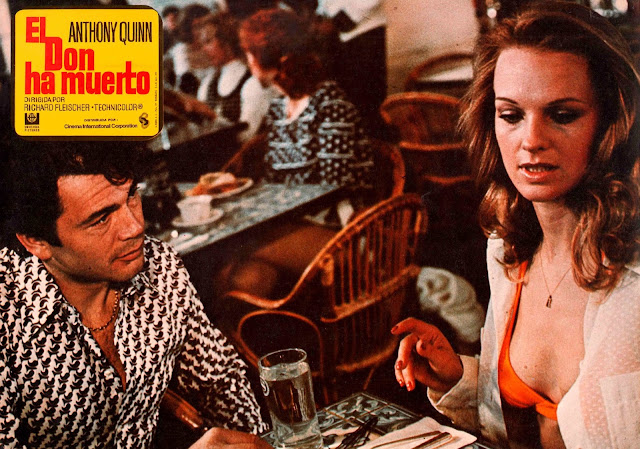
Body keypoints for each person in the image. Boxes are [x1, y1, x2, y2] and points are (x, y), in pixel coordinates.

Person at [392, 3, 640, 449]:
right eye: (511, 115)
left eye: (562, 115)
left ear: (611, 125)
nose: (531, 141)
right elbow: (512, 426)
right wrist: (461, 378)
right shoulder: (507, 248)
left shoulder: (634, 277)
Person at [0, 142, 269, 448]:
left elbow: (219, 380)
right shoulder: (7, 316)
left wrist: (258, 440)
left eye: (131, 196)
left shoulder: (160, 266)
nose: (135, 227)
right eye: (101, 219)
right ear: (36, 241)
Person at [213, 7, 374, 300]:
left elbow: (333, 189)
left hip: (343, 233)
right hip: (293, 230)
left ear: (278, 60)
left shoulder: (330, 104)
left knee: (236, 243)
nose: (249, 62)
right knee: (246, 279)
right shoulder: (279, 109)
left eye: (251, 54)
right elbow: (276, 180)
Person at [192, 12, 279, 142]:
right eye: (202, 44)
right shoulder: (208, 84)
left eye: (208, 42)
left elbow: (246, 135)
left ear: (226, 40)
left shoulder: (253, 82)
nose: (204, 49)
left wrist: (213, 117)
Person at [315, 0, 387, 136]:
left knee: (366, 107)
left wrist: (339, 21)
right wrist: (320, 15)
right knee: (341, 105)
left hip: (363, 31)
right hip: (333, 32)